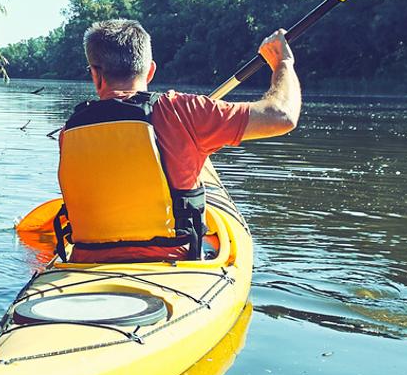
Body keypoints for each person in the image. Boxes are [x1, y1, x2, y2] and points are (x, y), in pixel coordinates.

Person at [55, 18, 300, 262]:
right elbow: (282, 115)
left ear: (95, 75)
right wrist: (282, 63)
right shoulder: (181, 111)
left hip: (83, 266)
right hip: (173, 267)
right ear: (150, 70)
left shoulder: (69, 132)